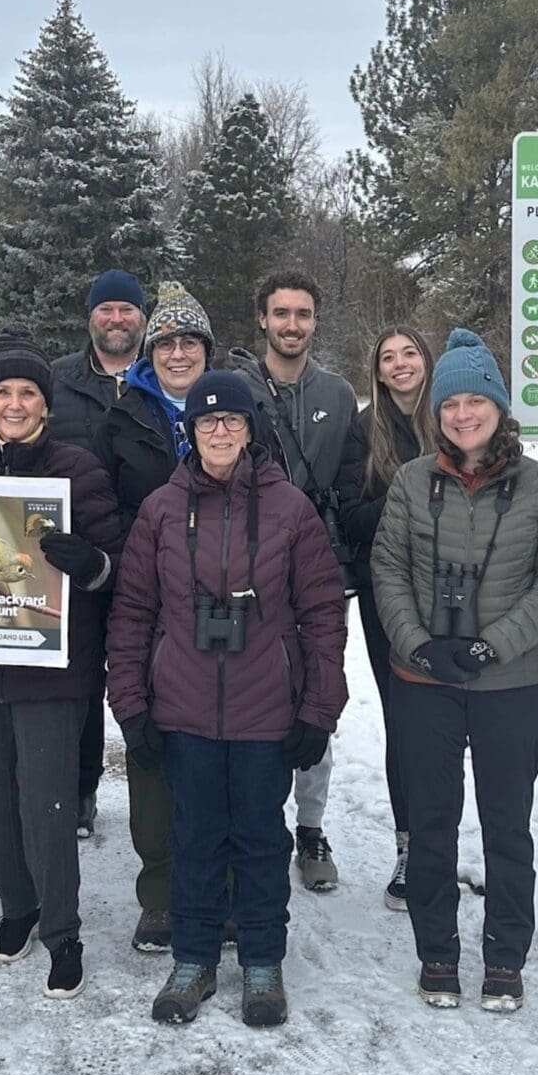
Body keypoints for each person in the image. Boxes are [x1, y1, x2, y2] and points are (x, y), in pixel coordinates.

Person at [106, 371, 348, 1026]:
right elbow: (131, 613)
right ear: (189, 431)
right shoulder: (160, 510)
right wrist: (130, 702)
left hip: (265, 709)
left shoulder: (290, 509)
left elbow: (323, 612)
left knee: (261, 840)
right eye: (207, 421)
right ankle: (194, 956)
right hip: (182, 709)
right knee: (196, 837)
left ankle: (264, 960)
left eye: (231, 420)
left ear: (250, 429)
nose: (219, 430)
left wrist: (318, 708)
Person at [371, 329, 538, 1014]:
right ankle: (437, 951)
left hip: (511, 683)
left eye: (475, 400)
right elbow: (388, 569)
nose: (462, 414)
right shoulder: (409, 481)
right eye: (450, 401)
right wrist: (417, 645)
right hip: (425, 679)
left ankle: (505, 956)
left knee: (507, 825)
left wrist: (494, 644)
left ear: (498, 405)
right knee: (431, 823)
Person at [0, 326, 123, 1000]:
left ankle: (62, 928)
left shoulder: (76, 469)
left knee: (48, 799)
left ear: (45, 406)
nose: (15, 403)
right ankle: (17, 907)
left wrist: (92, 564)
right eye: (2, 392)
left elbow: (117, 567)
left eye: (27, 392)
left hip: (51, 665)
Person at [91, 279, 216, 953]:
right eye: (166, 342)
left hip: (229, 609)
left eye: (189, 341)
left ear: (207, 350)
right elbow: (101, 508)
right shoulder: (124, 419)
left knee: (224, 741)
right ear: (149, 349)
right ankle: (161, 890)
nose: (177, 353)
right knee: (153, 744)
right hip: (149, 602)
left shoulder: (236, 409)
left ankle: (219, 882)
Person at [230, 270, 358, 892]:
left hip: (318, 567)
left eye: (303, 314)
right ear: (262, 318)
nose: (292, 325)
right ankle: (252, 822)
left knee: (316, 698)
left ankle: (310, 826)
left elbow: (357, 480)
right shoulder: (236, 390)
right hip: (249, 565)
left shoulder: (338, 392)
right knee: (250, 697)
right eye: (281, 313)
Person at [337, 324, 436, 911]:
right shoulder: (363, 429)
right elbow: (351, 515)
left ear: (427, 359)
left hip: (458, 593)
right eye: (388, 357)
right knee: (405, 720)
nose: (400, 365)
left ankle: (440, 841)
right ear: (375, 369)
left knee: (450, 724)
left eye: (409, 354)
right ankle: (409, 846)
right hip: (389, 594)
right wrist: (409, 488)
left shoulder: (456, 411)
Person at [49, 268, 148, 841]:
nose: (116, 319)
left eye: (127, 309)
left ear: (142, 317)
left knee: (145, 679)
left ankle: (154, 797)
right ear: (91, 316)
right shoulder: (60, 378)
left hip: (146, 550)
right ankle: (81, 789)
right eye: (106, 309)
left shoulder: (162, 374)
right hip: (77, 556)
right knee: (80, 680)